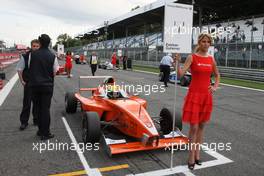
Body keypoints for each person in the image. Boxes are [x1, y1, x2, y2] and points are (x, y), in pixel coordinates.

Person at [175, 33, 220, 170]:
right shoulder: (192, 57)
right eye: (203, 41)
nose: (206, 44)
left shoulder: (211, 59)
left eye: (208, 42)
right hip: (194, 95)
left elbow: (217, 75)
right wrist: (177, 63)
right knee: (193, 127)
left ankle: (197, 154)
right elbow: (180, 75)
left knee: (201, 127)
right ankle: (191, 156)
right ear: (199, 43)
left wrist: (215, 86)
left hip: (206, 96)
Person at [28, 34, 59, 140]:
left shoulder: (33, 54)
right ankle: (45, 133)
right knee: (45, 109)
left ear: (40, 43)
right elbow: (55, 71)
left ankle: (40, 130)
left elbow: (29, 67)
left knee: (37, 108)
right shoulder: (52, 56)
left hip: (34, 85)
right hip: (47, 86)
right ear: (49, 43)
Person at [16, 39, 40, 130]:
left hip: (38, 83)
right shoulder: (25, 56)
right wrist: (22, 81)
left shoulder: (42, 56)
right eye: (34, 46)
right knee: (27, 103)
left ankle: (36, 119)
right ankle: (24, 122)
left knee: (37, 103)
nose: (36, 48)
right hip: (29, 83)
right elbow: (19, 69)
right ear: (31, 46)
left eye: (37, 46)